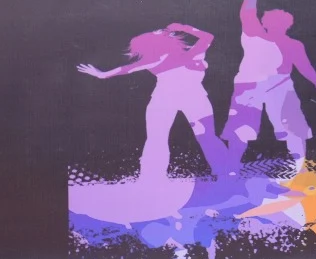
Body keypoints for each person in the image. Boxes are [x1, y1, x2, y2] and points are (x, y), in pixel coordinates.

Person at [77, 23, 229, 179]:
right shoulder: (171, 57)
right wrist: (183, 27)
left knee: (193, 137)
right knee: (163, 138)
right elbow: (127, 69)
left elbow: (126, 69)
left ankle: (223, 171)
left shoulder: (186, 54)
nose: (161, 31)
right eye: (158, 33)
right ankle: (153, 176)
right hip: (167, 99)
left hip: (185, 98)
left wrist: (102, 75)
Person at [220, 0, 316, 178]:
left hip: (275, 84)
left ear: (288, 25)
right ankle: (233, 166)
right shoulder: (255, 35)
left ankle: (299, 166)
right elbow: (247, 15)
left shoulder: (289, 43)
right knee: (244, 126)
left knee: (291, 127)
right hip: (252, 83)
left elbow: (305, 67)